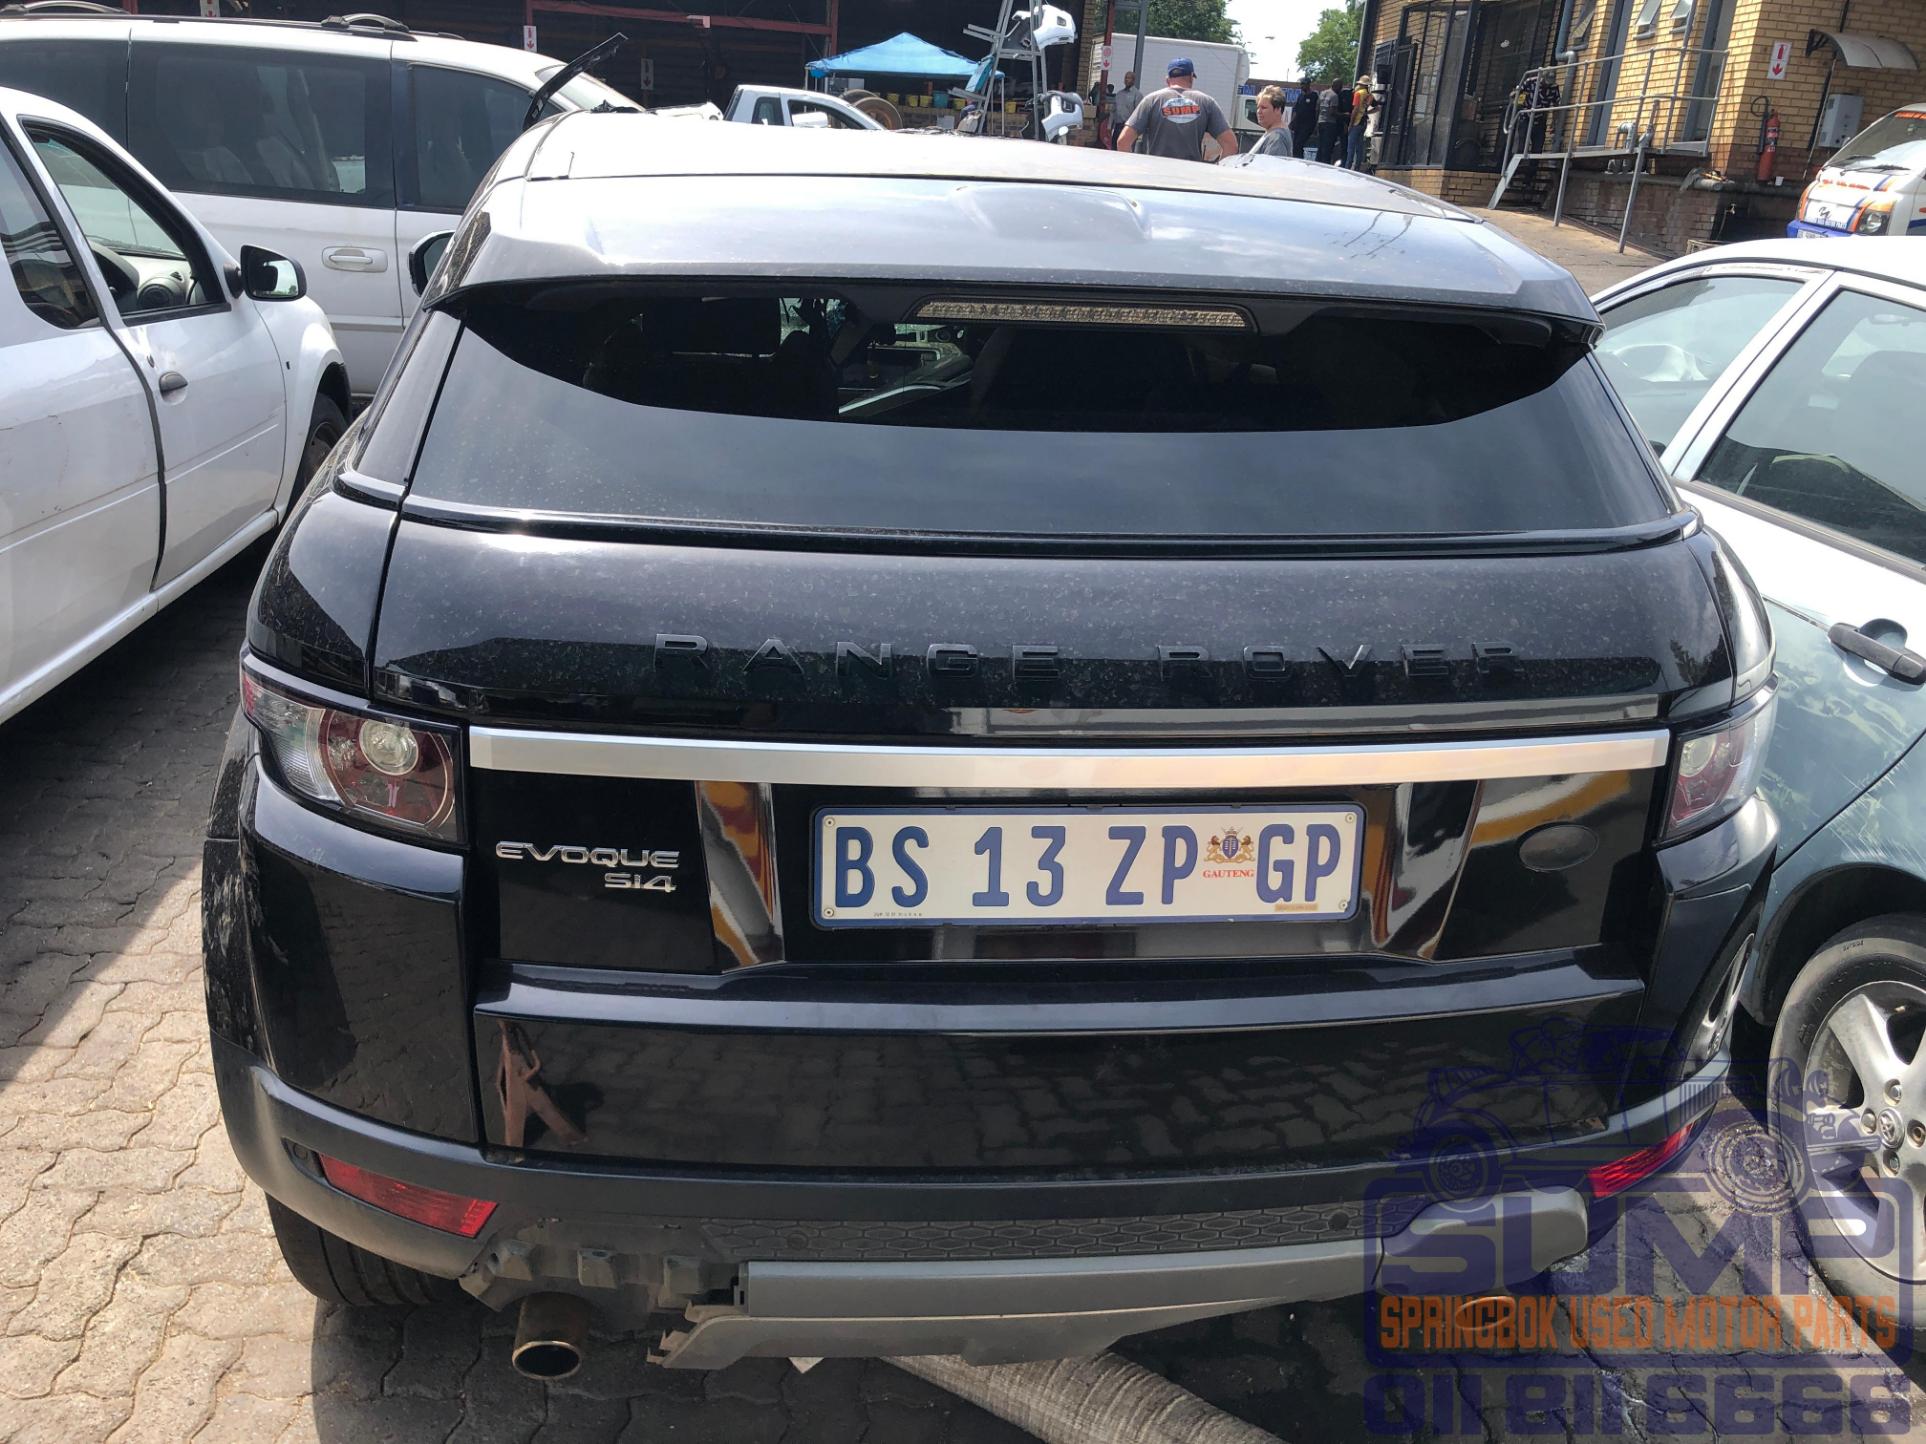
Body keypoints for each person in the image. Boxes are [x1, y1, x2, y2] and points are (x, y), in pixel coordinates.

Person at [1116, 57, 1239, 163]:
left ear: (1167, 79)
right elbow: (1231, 145)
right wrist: (1216, 174)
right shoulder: (1207, 102)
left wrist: (1133, 172)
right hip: (1191, 178)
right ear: (1191, 77)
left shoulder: (1151, 100)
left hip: (1156, 175)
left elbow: (1123, 141)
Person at [1250, 84, 1292, 157]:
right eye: (1258, 107)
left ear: (1278, 109)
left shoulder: (1277, 138)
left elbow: (1271, 164)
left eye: (1264, 108)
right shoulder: (1273, 134)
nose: (1259, 111)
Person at [1346, 73, 1374, 169]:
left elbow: (1355, 109)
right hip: (1364, 122)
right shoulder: (1369, 95)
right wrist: (1367, 112)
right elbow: (1377, 107)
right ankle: (1357, 167)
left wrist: (1350, 124)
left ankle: (1348, 167)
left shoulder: (1358, 93)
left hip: (1356, 122)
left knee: (1351, 147)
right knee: (1359, 146)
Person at [1111, 70, 1142, 151]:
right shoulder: (1119, 94)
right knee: (1114, 150)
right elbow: (1113, 110)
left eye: (1129, 78)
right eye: (1126, 78)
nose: (1127, 80)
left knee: (1126, 151)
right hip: (1117, 126)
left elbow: (1139, 114)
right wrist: (1109, 126)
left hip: (1129, 128)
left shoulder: (1137, 95)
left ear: (1133, 80)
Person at [1316, 81, 1344, 164]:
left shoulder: (1322, 93)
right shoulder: (1334, 96)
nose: (1341, 89)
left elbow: (1317, 109)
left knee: (1320, 145)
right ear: (1336, 86)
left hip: (1321, 122)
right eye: (1340, 87)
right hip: (1330, 124)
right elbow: (1332, 112)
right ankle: (1325, 164)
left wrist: (1317, 121)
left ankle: (1317, 163)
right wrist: (1344, 115)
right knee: (1327, 147)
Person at [1288, 83, 1319, 158]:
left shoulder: (1314, 95)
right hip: (1298, 124)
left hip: (1308, 124)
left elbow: (1317, 110)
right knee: (1295, 145)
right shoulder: (1300, 96)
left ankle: (1299, 160)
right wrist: (1292, 122)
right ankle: (1296, 160)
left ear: (1308, 85)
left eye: (1303, 84)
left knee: (1299, 144)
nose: (1301, 86)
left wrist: (1316, 125)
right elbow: (1296, 110)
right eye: (1301, 84)